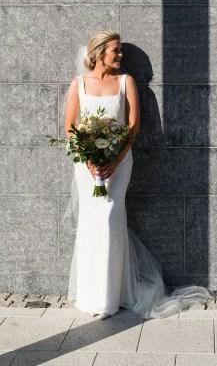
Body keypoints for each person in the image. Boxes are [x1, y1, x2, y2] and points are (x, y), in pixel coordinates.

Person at [64, 30, 209, 319]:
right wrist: (89, 159)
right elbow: (70, 127)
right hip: (87, 165)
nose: (120, 56)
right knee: (92, 222)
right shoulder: (78, 84)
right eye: (115, 51)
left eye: (121, 51)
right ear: (99, 53)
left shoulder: (126, 82)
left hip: (119, 162)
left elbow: (132, 126)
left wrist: (114, 161)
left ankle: (111, 296)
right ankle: (92, 294)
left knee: (110, 219)